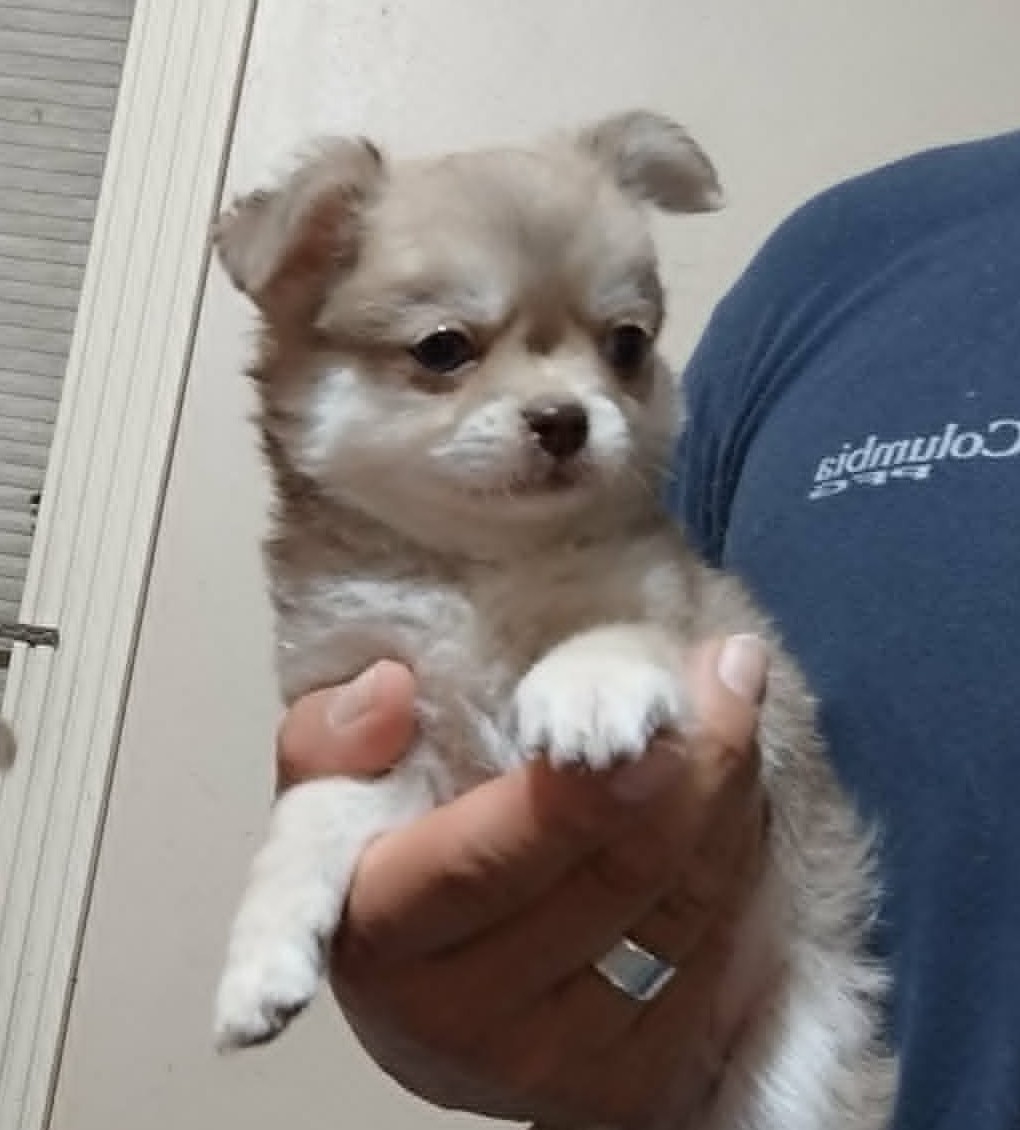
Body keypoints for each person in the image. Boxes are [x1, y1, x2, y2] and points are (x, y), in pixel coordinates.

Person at [276, 129, 1020, 1129]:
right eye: (448, 349)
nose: (561, 396)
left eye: (622, 346)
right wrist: (499, 983)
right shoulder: (845, 256)